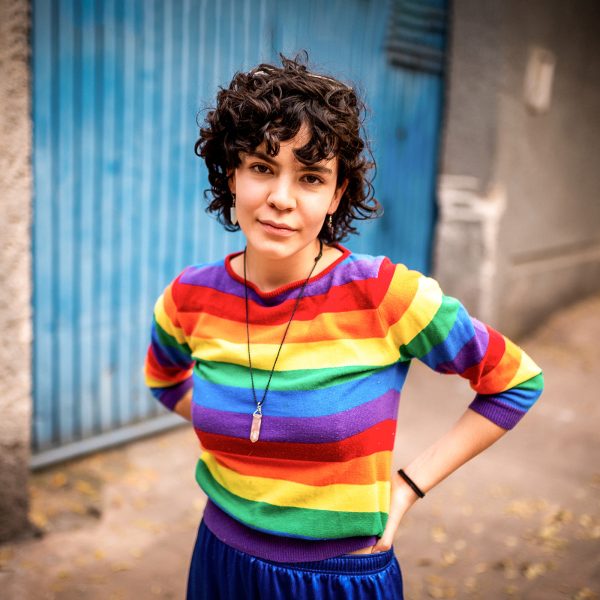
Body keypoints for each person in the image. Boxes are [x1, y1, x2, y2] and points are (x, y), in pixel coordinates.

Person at [144, 55, 544, 600]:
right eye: (262, 166)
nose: (281, 199)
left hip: (336, 579)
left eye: (310, 177)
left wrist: (406, 489)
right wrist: (241, 425)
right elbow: (165, 381)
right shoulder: (189, 297)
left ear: (335, 196)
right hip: (220, 562)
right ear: (231, 174)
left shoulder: (383, 294)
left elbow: (515, 381)